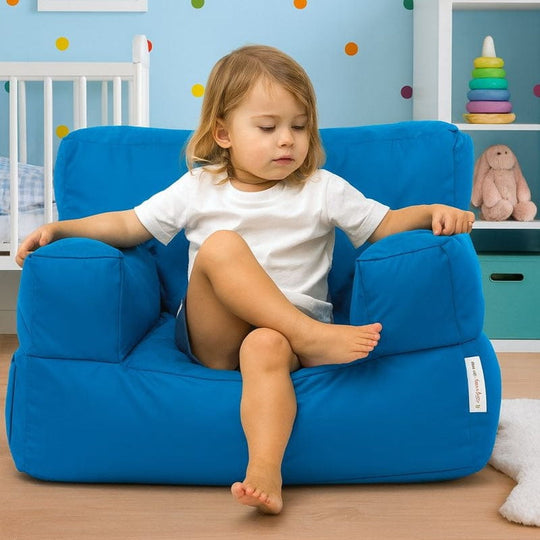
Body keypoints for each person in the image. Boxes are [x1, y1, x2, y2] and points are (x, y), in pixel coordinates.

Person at [16, 45, 475, 515]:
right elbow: (129, 225)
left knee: (266, 348)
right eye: (268, 127)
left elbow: (384, 225)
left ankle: (264, 472)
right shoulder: (200, 186)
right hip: (214, 336)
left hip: (284, 334)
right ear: (223, 133)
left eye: (299, 126)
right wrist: (61, 228)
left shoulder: (321, 188)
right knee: (220, 246)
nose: (287, 141)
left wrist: (431, 211)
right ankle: (312, 337)